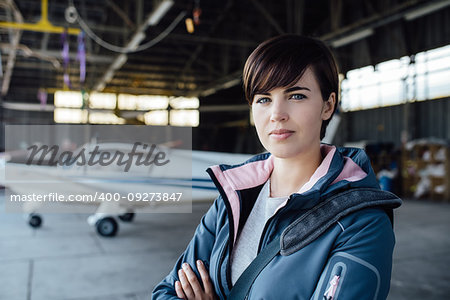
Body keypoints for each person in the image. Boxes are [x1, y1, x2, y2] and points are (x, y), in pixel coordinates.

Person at [152, 34, 401, 299]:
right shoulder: (232, 199)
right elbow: (167, 292)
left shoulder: (361, 223)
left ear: (328, 105)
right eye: (263, 99)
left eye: (296, 95)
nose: (276, 114)